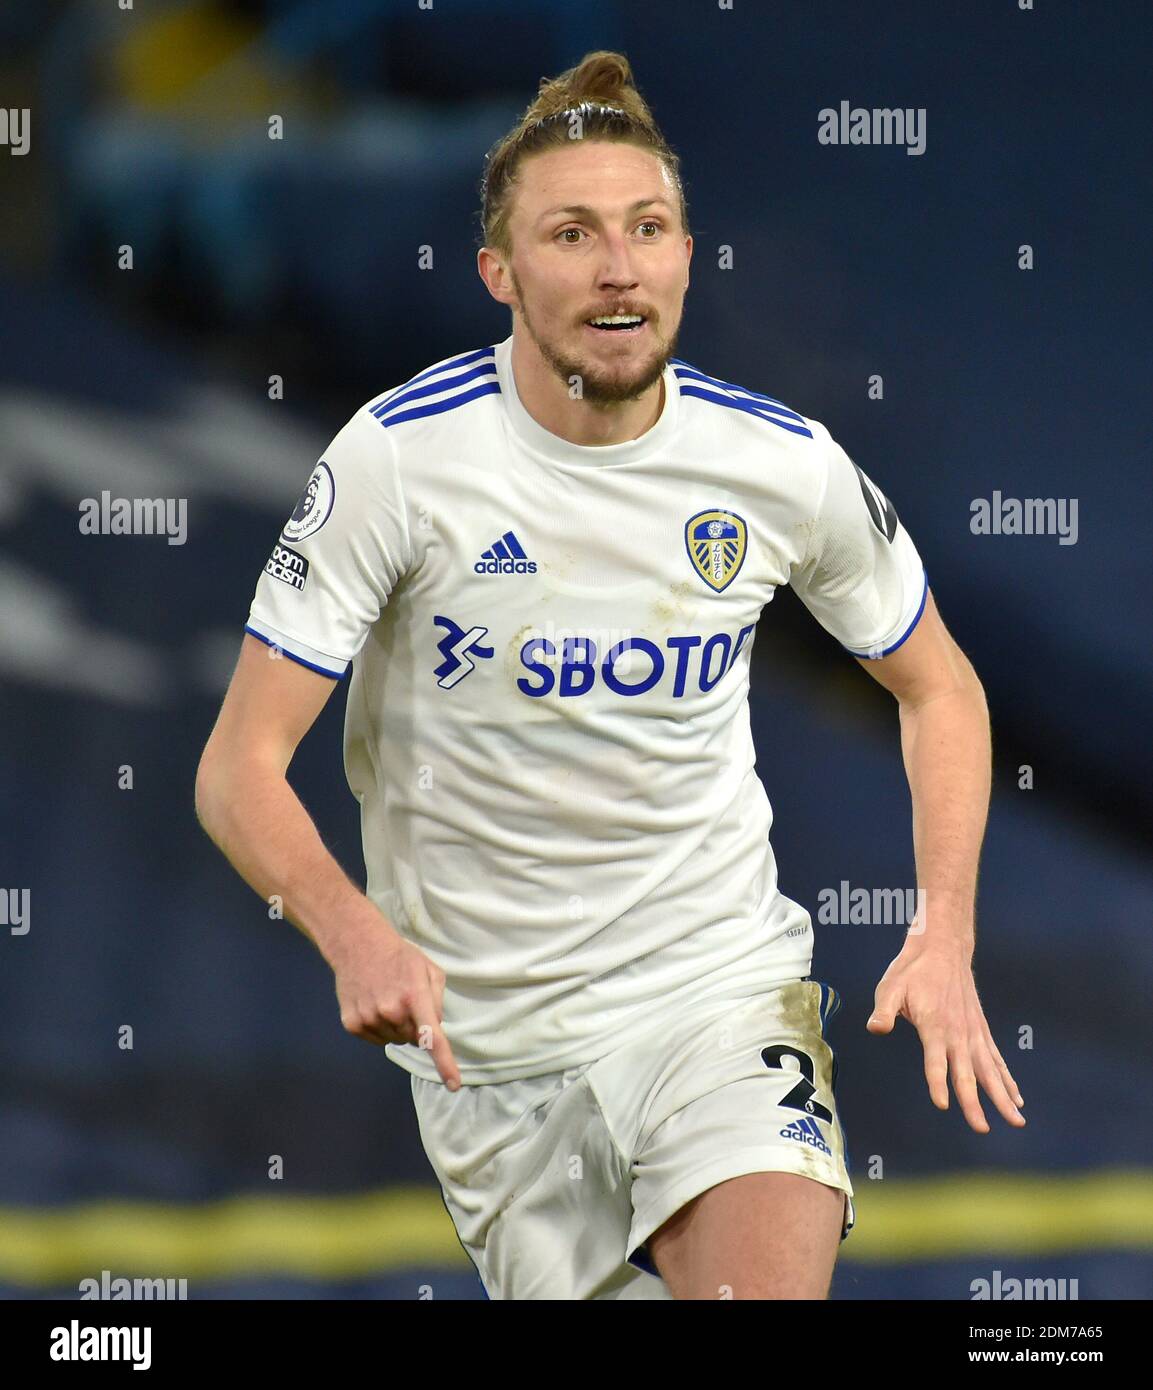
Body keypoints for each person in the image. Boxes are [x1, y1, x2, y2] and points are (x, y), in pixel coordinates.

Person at [195, 50, 1025, 1301]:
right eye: (571, 233)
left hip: (713, 992)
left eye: (647, 228)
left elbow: (940, 686)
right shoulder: (398, 463)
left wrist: (944, 927)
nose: (617, 266)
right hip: (491, 1064)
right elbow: (236, 770)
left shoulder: (779, 465)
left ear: (688, 256)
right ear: (499, 272)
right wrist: (352, 935)